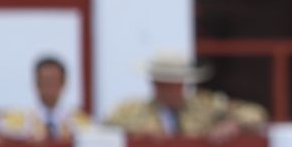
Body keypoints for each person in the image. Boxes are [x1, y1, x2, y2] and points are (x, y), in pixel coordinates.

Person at [106, 52, 269, 139]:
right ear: (155, 84)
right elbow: (105, 135)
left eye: (175, 84)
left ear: (183, 83)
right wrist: (136, 138)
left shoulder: (208, 105)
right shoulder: (129, 112)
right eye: (164, 84)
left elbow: (257, 114)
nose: (170, 89)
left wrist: (234, 124)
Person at [0, 56, 91, 140]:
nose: (49, 87)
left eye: (53, 81)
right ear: (36, 84)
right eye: (45, 81)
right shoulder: (18, 117)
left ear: (63, 84)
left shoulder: (78, 120)